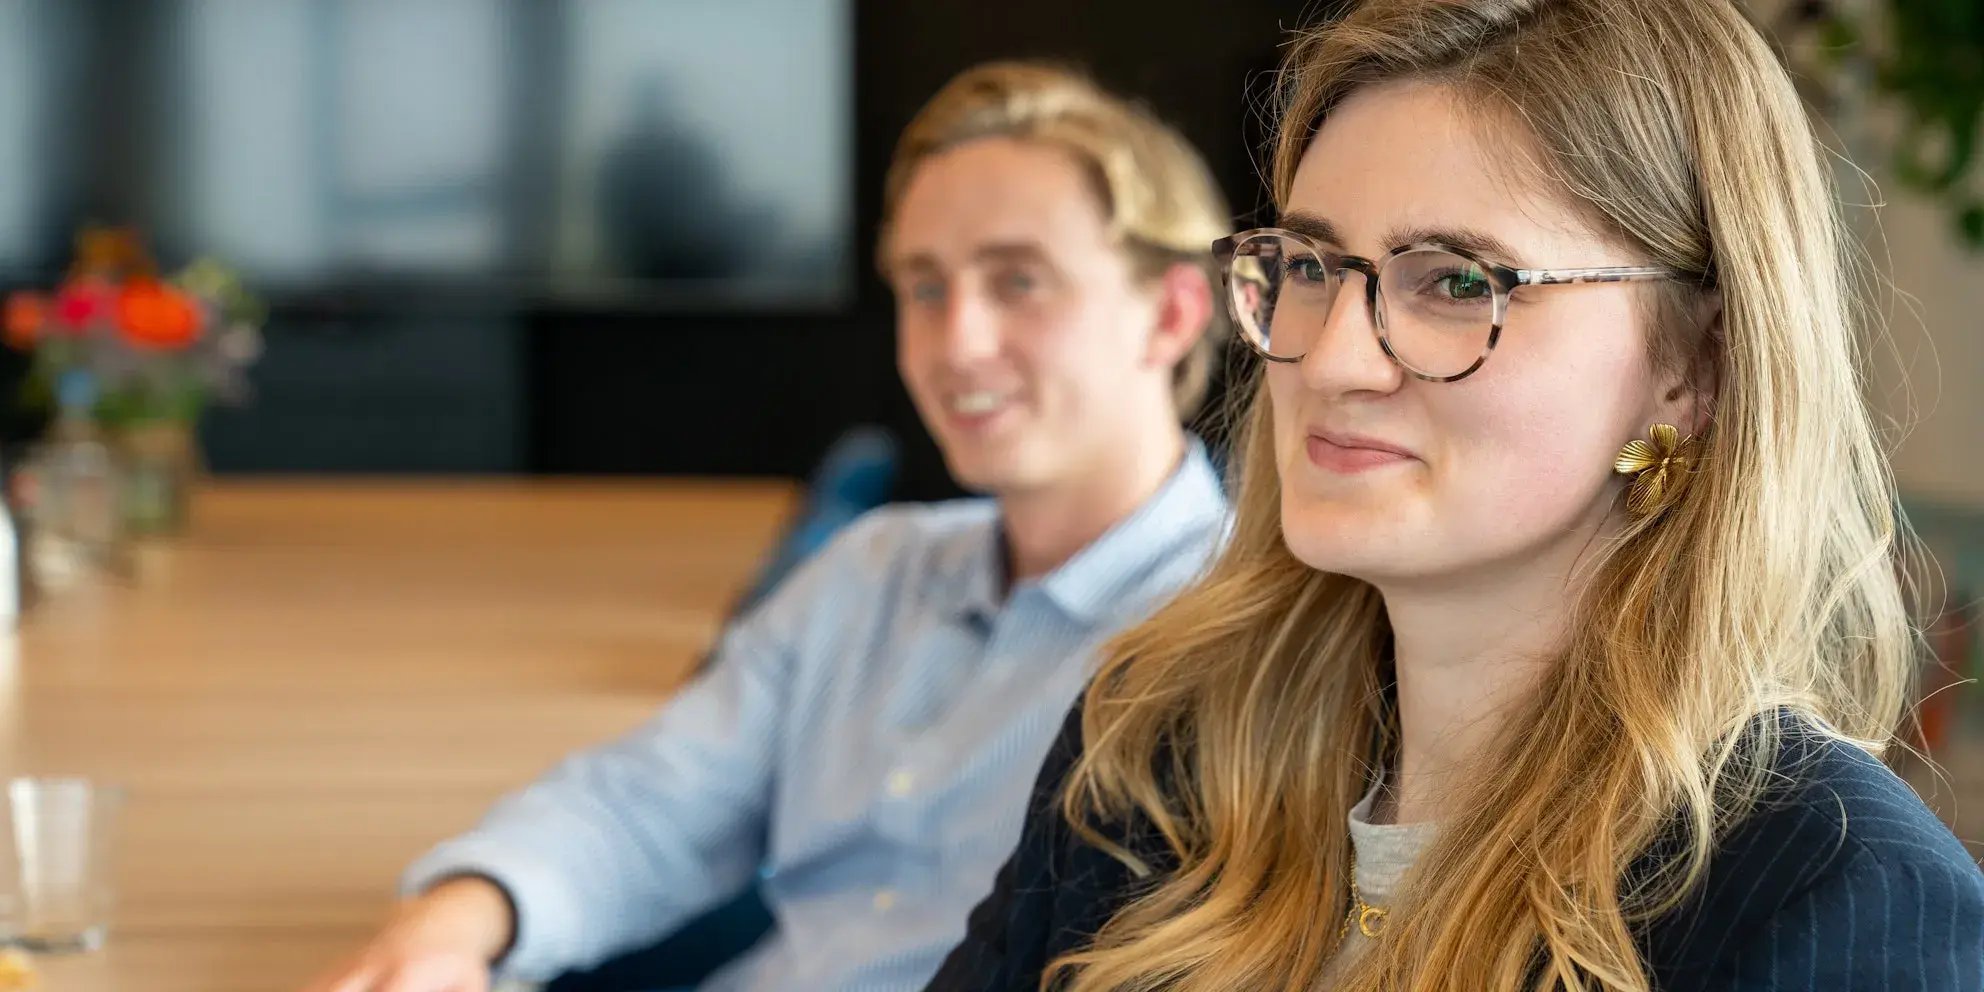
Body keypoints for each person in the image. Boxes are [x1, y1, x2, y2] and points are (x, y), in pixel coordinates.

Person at [928, 3, 1984, 991]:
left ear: (1694, 366)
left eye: (1459, 282)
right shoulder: (1154, 752)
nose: (1335, 358)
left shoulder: (1833, 889)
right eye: (1309, 265)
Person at [301, 61, 1234, 992]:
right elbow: (652, 803)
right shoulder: (873, 573)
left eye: (1019, 281)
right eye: (924, 287)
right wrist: (454, 924)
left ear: (1171, 314)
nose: (957, 343)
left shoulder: (1242, 644)